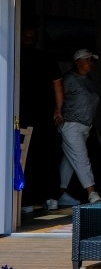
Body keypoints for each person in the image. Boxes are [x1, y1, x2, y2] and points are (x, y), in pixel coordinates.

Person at [18, 26, 64, 211]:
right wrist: (58, 110)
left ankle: (26, 201)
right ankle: (51, 197)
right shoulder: (46, 57)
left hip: (22, 113)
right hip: (44, 113)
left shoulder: (14, 55)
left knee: (25, 156)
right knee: (48, 156)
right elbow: (58, 85)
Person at [55, 49, 101, 206]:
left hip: (85, 127)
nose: (90, 63)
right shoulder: (69, 79)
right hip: (71, 124)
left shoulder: (88, 80)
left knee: (69, 162)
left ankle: (57, 196)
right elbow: (57, 94)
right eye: (87, 59)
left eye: (91, 60)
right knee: (82, 159)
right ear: (77, 62)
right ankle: (92, 193)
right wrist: (57, 111)